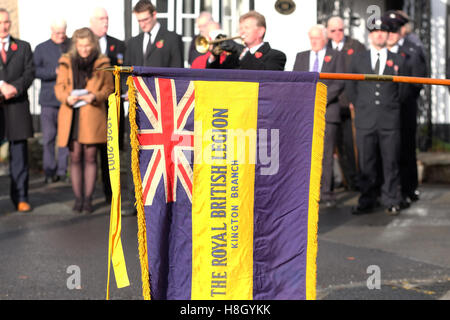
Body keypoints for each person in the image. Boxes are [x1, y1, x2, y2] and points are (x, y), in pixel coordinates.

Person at [347, 18, 406, 215]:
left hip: (389, 119)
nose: (379, 35)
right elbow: (351, 87)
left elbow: (404, 90)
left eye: (383, 32)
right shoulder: (358, 59)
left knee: (390, 162)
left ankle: (391, 198)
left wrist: (392, 105)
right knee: (366, 163)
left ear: (388, 35)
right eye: (375, 32)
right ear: (370, 35)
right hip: (366, 118)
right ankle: (367, 199)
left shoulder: (398, 60)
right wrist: (361, 106)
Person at [55, 28, 114, 213]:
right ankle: (78, 198)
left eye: (87, 46)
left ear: (93, 44)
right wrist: (67, 97)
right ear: (75, 45)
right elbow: (59, 87)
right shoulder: (66, 61)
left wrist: (94, 97)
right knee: (75, 156)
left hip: (91, 114)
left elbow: (109, 88)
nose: (84, 50)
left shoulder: (102, 62)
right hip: (72, 114)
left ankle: (88, 199)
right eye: (80, 46)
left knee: (90, 156)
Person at [293, 24, 345, 207]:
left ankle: (327, 193)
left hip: (328, 111)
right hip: (306, 112)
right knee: (306, 154)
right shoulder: (302, 57)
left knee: (326, 154)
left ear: (324, 39)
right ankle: (308, 192)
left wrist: (320, 98)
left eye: (317, 38)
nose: (313, 42)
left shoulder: (336, 56)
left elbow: (339, 83)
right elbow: (296, 82)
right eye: (311, 38)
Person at [384, 11, 427, 206]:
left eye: (393, 30)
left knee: (406, 148)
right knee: (388, 151)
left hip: (405, 108)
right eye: (387, 30)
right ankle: (391, 189)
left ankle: (409, 188)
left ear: (402, 31)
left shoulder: (412, 50)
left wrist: (400, 99)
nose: (390, 34)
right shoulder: (382, 50)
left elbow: (418, 82)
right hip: (385, 110)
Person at [0, 8, 35, 212]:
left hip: (17, 107)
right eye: (0, 22)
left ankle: (21, 197)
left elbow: (30, 72)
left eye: (6, 22)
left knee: (19, 156)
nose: (3, 26)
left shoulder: (22, 47)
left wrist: (16, 87)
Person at [90, 7, 126, 204]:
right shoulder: (84, 45)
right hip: (92, 106)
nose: (105, 22)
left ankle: (111, 193)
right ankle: (88, 194)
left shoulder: (117, 45)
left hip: (112, 104)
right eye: (101, 19)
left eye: (107, 18)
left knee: (110, 151)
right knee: (89, 154)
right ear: (92, 22)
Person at [326, 16, 366, 191]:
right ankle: (346, 180)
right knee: (336, 146)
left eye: (340, 30)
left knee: (352, 145)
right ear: (328, 31)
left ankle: (356, 180)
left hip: (350, 104)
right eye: (333, 30)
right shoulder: (324, 48)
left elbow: (363, 76)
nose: (337, 34)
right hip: (331, 104)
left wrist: (356, 99)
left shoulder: (356, 47)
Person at [34, 18, 70, 184]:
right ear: (51, 30)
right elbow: (35, 70)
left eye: (63, 33)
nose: (61, 36)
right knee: (48, 137)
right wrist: (54, 72)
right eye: (57, 33)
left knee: (64, 137)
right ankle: (49, 171)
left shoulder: (71, 45)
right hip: (48, 100)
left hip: (66, 99)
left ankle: (63, 171)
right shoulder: (41, 48)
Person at [206, 11, 286, 71]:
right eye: (240, 29)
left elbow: (265, 75)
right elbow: (216, 76)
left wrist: (240, 50)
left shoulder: (276, 56)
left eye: (246, 28)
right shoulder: (233, 56)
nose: (241, 32)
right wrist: (214, 56)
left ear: (260, 31)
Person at [124, 0, 183, 68]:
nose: (142, 25)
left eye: (145, 20)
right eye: (139, 21)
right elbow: (127, 71)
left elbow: (178, 71)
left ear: (154, 15)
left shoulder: (172, 38)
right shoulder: (133, 42)